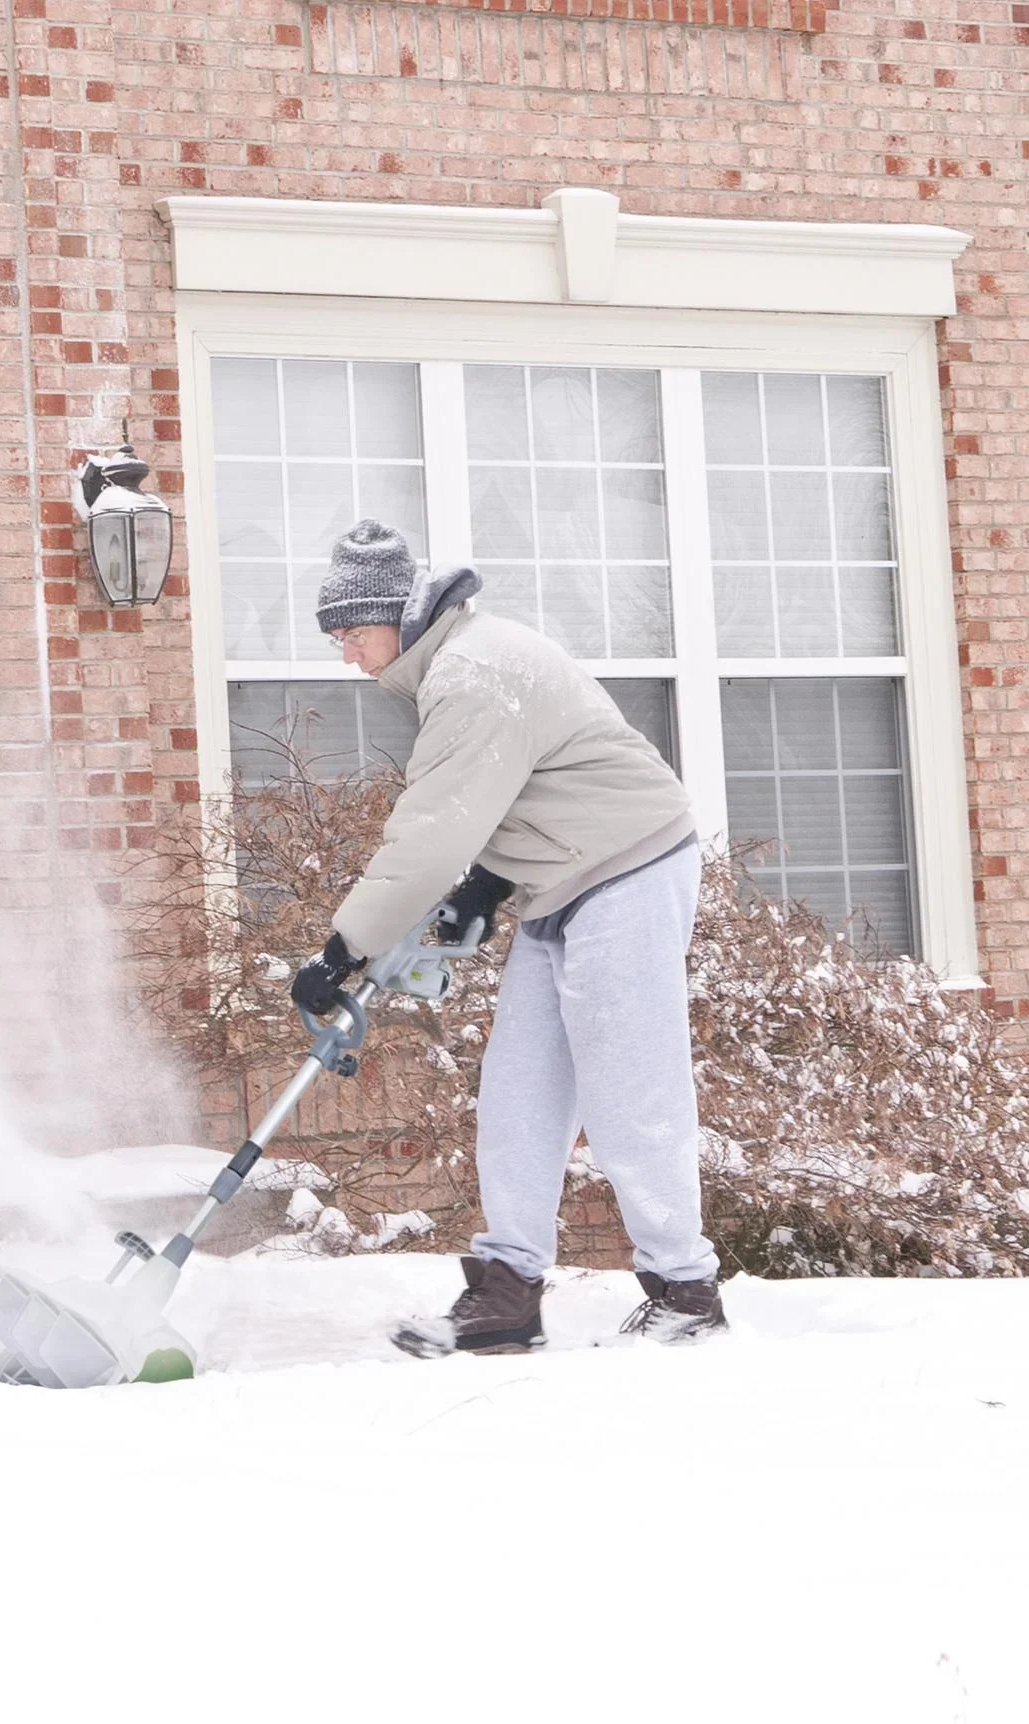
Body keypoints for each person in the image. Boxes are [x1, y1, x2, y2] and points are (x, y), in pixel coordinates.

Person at [289, 519, 726, 1355]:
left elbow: (431, 831)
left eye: (351, 633)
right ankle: (508, 1291)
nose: (345, 654)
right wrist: (488, 885)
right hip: (563, 879)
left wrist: (343, 950)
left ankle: (686, 1290)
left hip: (627, 867)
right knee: (521, 1089)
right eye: (335, 637)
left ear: (396, 616)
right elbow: (516, 786)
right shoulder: (456, 663)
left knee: (630, 1084)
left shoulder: (471, 674)